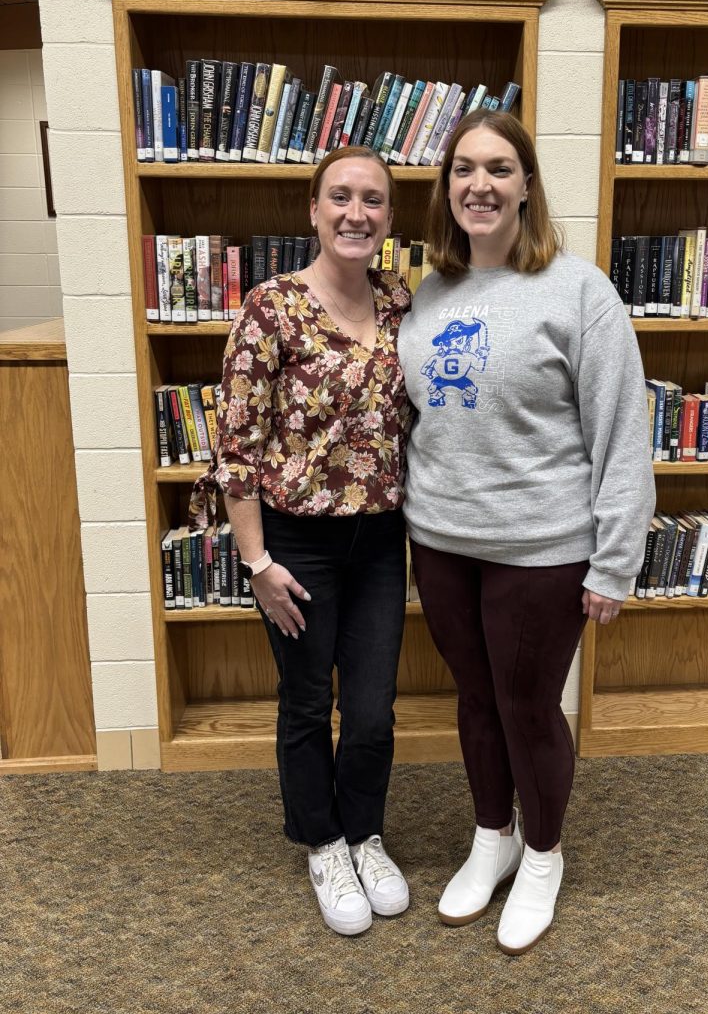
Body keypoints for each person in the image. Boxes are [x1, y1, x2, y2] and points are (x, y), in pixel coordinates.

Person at [397, 111, 655, 955]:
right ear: (446, 188)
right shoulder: (430, 290)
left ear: (527, 186)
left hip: (540, 549)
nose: (481, 185)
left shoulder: (581, 292)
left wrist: (614, 561)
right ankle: (491, 836)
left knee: (527, 706)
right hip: (440, 541)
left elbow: (620, 429)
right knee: (474, 701)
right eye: (464, 169)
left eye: (500, 169)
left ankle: (542, 855)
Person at [190, 146, 411, 937]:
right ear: (313, 211)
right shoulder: (269, 307)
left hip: (382, 537)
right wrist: (257, 565)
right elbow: (237, 447)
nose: (358, 213)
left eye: (374, 200)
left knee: (377, 707)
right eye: (341, 197)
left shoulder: (399, 299)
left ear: (390, 216)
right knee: (310, 701)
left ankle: (365, 831)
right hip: (295, 544)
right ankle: (322, 840)